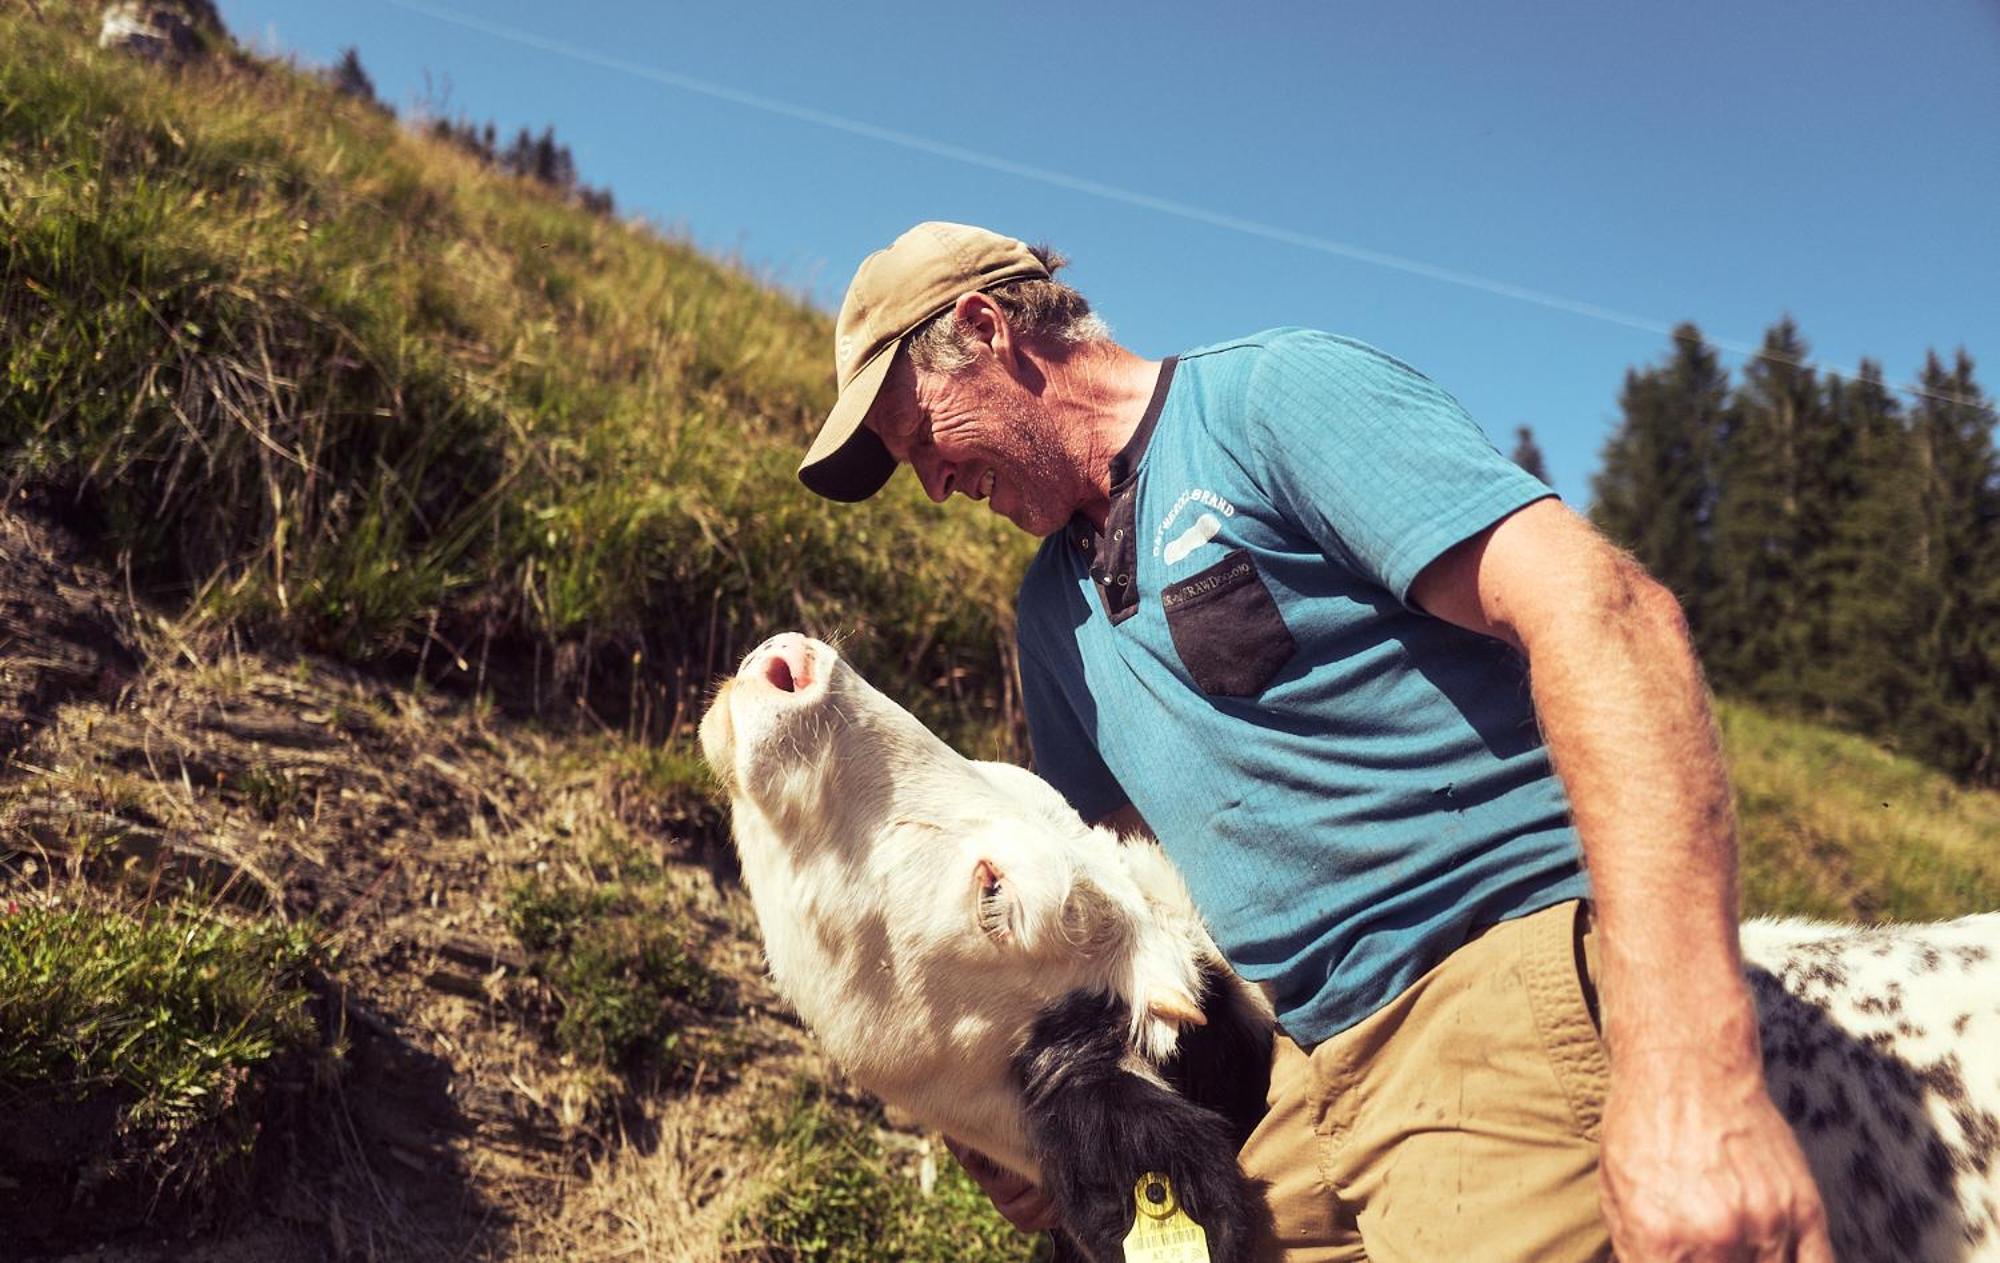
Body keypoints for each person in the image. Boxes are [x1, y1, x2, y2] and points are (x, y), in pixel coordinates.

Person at [794, 221, 1831, 1263]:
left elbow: (1603, 610)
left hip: (1480, 990)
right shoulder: (1047, 616)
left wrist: (1695, 1067)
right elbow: (1126, 910)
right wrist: (1046, 1131)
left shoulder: (1264, 404)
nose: (930, 484)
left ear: (984, 330)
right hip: (1287, 1070)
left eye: (921, 439)